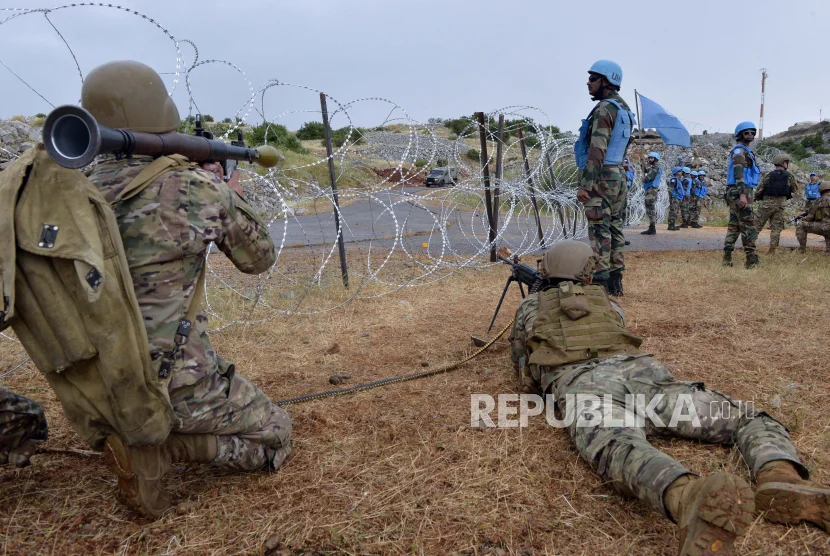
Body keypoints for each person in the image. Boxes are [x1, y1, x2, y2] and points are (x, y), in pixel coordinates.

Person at [509, 240, 830, 555]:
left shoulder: (529, 307)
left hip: (584, 384)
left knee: (619, 446)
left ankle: (686, 495)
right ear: (588, 275)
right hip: (645, 375)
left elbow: (524, 367)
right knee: (744, 417)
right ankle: (779, 472)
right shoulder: (609, 304)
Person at [79, 61, 292, 517]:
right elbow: (259, 260)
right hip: (178, 388)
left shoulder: (74, 193)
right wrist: (229, 192)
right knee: (278, 433)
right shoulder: (193, 188)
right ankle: (170, 451)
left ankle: (138, 437)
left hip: (98, 391)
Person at [574, 59, 635, 297]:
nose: (588, 83)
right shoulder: (625, 111)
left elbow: (597, 150)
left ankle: (600, 283)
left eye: (593, 78)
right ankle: (616, 280)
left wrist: (585, 184)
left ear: (607, 81)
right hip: (618, 174)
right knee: (615, 227)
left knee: (600, 228)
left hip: (602, 176)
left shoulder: (604, 109)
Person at [723, 122, 762, 268]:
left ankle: (727, 257)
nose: (750, 135)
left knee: (734, 226)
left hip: (740, 190)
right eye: (747, 133)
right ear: (740, 135)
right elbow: (738, 173)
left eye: (753, 132)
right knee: (748, 226)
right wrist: (743, 195)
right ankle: (751, 259)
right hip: (741, 190)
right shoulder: (740, 151)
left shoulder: (745, 151)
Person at [754, 154, 798, 254]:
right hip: (781, 204)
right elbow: (795, 189)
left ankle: (750, 245)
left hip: (767, 204)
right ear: (784, 163)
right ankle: (772, 249)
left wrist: (757, 197)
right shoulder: (789, 176)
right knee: (776, 228)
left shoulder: (768, 175)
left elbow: (759, 190)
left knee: (757, 225)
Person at [0, 388, 48, 468]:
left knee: (13, 461)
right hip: (15, 425)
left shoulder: (10, 412)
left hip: (31, 430)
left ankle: (21, 451)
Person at [796, 181, 830, 254]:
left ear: (821, 190)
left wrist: (802, 218)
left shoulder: (818, 201)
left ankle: (802, 250)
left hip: (824, 227)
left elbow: (809, 217)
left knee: (801, 225)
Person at [640, 152, 662, 235]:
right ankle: (652, 227)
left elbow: (648, 178)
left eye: (652, 158)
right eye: (649, 158)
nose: (650, 159)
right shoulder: (653, 168)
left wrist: (643, 178)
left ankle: (652, 228)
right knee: (649, 208)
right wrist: (641, 162)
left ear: (655, 159)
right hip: (650, 189)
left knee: (650, 208)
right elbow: (645, 170)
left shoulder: (655, 168)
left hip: (651, 190)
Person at [667, 166, 684, 231]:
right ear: (676, 172)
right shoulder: (673, 180)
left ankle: (673, 224)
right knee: (673, 211)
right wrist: (672, 197)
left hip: (678, 198)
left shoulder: (678, 180)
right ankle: (671, 225)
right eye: (679, 171)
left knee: (675, 211)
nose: (681, 172)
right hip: (675, 198)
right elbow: (670, 189)